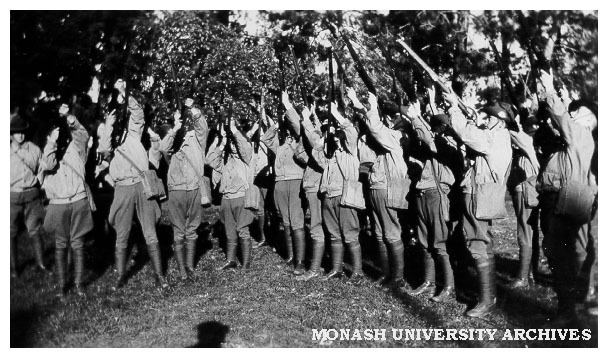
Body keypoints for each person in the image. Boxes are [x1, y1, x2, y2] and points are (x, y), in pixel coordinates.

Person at [443, 91, 513, 318]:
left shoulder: (498, 138)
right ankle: (487, 297)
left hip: (480, 197)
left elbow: (467, 134)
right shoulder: (495, 137)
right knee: (479, 244)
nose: (487, 120)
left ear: (501, 122)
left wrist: (454, 108)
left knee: (479, 244)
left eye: (491, 118)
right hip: (476, 194)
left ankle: (486, 300)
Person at [535, 70, 597, 324]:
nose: (570, 113)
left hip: (563, 199)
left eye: (576, 112)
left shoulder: (580, 135)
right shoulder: (573, 140)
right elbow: (554, 121)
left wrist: (550, 89)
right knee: (563, 251)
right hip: (560, 197)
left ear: (587, 119)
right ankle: (572, 300)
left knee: (560, 253)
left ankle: (567, 310)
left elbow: (560, 116)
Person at [98, 79, 168, 289]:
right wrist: (109, 123)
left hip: (141, 184)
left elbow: (138, 114)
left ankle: (159, 276)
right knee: (122, 231)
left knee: (149, 230)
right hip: (123, 188)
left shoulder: (134, 133)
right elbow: (103, 149)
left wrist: (125, 93)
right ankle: (120, 276)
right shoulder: (110, 138)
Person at [347, 89, 410, 289]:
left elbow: (375, 128)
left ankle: (398, 277)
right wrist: (357, 102)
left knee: (390, 232)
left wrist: (373, 107)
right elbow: (370, 125)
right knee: (379, 231)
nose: (387, 123)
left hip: (388, 188)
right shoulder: (386, 139)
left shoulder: (396, 138)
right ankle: (386, 272)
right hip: (376, 186)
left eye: (390, 120)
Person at [403, 89, 460, 302]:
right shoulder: (432, 143)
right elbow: (421, 138)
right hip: (423, 194)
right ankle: (428, 281)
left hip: (438, 195)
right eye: (434, 127)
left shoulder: (449, 145)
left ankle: (448, 286)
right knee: (423, 240)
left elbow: (428, 140)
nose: (436, 131)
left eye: (439, 127)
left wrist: (417, 118)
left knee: (440, 242)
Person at [39, 104, 94, 296]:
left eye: (61, 132)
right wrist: (51, 144)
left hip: (78, 201)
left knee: (78, 243)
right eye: (55, 133)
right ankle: (62, 285)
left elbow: (82, 133)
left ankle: (79, 283)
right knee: (61, 244)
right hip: (58, 205)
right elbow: (48, 164)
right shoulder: (46, 153)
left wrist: (69, 116)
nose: (60, 135)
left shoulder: (76, 147)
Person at [312, 103, 364, 283]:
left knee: (350, 234)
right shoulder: (331, 157)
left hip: (345, 198)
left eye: (337, 139)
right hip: (329, 197)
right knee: (334, 234)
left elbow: (351, 132)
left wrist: (336, 113)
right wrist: (321, 141)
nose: (335, 141)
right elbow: (317, 156)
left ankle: (357, 272)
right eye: (334, 140)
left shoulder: (351, 154)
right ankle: (336, 268)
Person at [162, 101, 209, 281]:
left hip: (195, 188)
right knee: (178, 230)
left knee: (193, 228)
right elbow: (163, 149)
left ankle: (190, 265)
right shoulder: (172, 140)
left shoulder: (197, 138)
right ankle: (182, 269)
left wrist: (192, 109)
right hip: (177, 189)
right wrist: (175, 128)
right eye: (177, 117)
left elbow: (202, 127)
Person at [261, 93, 307, 275]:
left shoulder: (300, 141)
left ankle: (300, 262)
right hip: (280, 184)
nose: (288, 132)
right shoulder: (279, 146)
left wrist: (289, 111)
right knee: (286, 221)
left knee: (296, 222)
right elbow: (265, 139)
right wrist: (277, 124)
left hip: (295, 183)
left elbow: (299, 128)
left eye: (289, 128)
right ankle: (290, 256)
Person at [206, 118, 255, 270]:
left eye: (235, 143)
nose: (233, 146)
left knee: (243, 230)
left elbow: (243, 146)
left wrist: (234, 130)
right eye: (231, 143)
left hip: (241, 197)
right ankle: (231, 260)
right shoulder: (226, 161)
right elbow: (209, 161)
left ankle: (246, 263)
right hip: (227, 199)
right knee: (230, 231)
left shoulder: (245, 158)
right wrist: (220, 144)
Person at [10, 113, 48, 278]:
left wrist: (39, 181)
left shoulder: (34, 149)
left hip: (32, 195)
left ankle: (41, 264)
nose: (20, 135)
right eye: (17, 132)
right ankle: (13, 269)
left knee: (34, 229)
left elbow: (43, 169)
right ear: (11, 134)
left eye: (23, 131)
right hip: (12, 196)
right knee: (10, 232)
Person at [507, 116, 541, 288]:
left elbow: (515, 135)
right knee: (531, 231)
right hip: (532, 191)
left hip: (525, 190)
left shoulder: (528, 145)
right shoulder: (536, 146)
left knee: (524, 233)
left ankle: (522, 277)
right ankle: (531, 273)